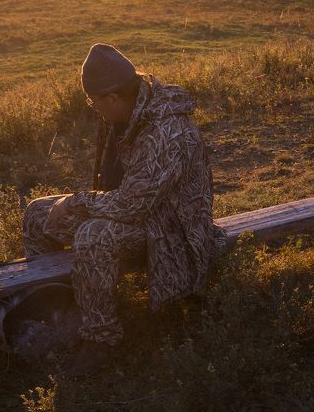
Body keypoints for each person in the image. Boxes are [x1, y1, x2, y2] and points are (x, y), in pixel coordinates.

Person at [22, 44, 226, 377]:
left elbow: (133, 205)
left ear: (114, 97)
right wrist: (79, 203)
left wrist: (76, 201)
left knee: (93, 235)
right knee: (38, 214)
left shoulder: (164, 131)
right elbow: (121, 191)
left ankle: (101, 340)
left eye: (94, 102)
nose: (94, 109)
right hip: (140, 211)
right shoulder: (129, 112)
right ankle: (58, 309)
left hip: (171, 230)